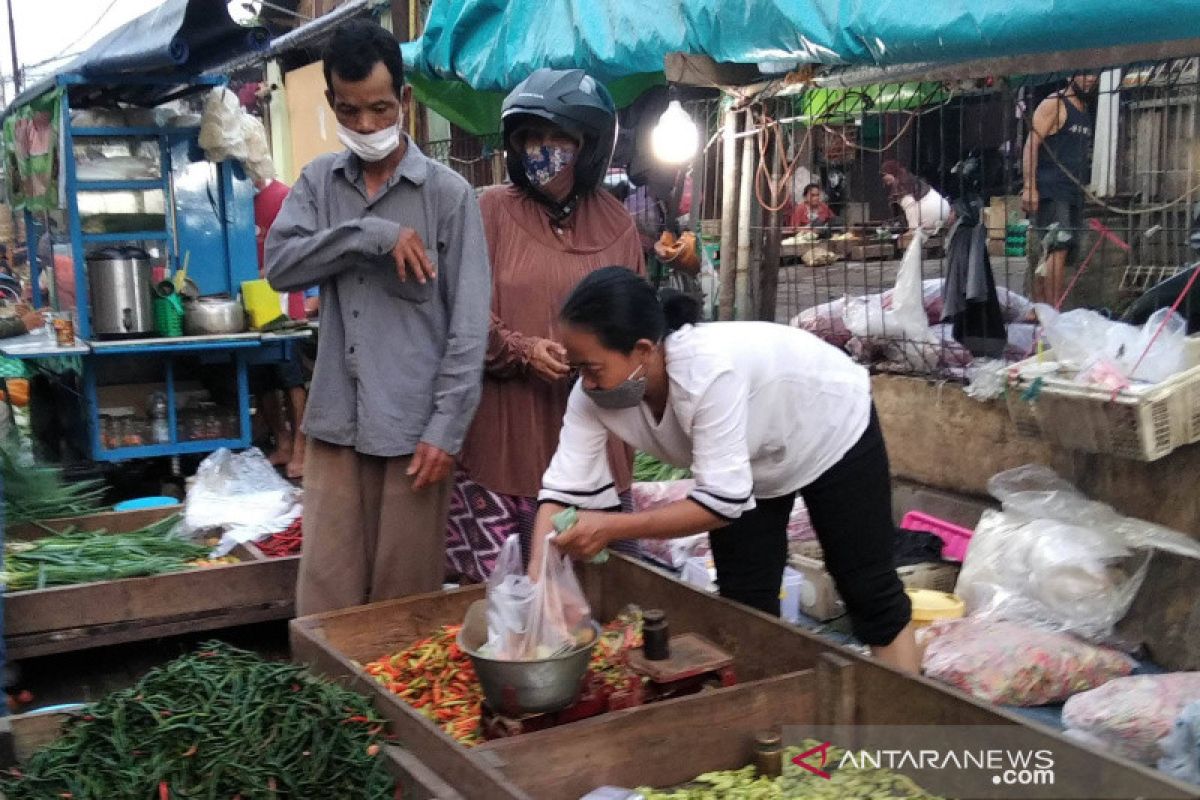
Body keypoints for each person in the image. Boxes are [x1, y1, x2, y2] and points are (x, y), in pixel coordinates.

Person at [530, 267, 920, 673]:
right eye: (579, 370)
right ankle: (762, 714)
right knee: (744, 602)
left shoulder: (706, 373)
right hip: (748, 460)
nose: (587, 384)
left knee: (868, 591)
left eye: (593, 369)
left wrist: (610, 528)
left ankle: (905, 715)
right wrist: (537, 591)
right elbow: (560, 494)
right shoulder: (591, 396)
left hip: (827, 424)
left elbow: (721, 505)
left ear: (643, 350)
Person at [265, 19, 491, 615]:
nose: (366, 125)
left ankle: (391, 713)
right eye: (350, 111)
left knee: (402, 608)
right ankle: (329, 708)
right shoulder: (319, 183)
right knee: (326, 597)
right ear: (333, 104)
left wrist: (446, 429)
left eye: (380, 109)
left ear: (405, 102)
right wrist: (367, 234)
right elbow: (281, 267)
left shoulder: (449, 195)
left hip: (415, 434)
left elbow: (469, 326)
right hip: (337, 423)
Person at [447, 69, 645, 583]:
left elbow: (638, 323)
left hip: (597, 438)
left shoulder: (618, 226)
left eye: (558, 137)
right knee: (506, 602)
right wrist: (520, 349)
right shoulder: (488, 211)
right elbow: (462, 313)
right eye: (529, 137)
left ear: (589, 146)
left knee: (601, 601)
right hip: (506, 443)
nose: (542, 149)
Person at [1022, 73, 1098, 306]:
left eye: (1094, 74)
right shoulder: (1054, 103)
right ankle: (1052, 309)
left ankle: (1040, 309)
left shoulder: (1084, 109)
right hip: (1052, 189)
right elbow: (1031, 145)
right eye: (1084, 73)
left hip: (1073, 191)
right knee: (1057, 246)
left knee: (1059, 252)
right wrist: (1029, 187)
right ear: (1069, 75)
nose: (1090, 79)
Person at [252, 172, 309, 479]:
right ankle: (283, 442)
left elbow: (297, 251)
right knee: (262, 377)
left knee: (291, 379)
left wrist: (264, 272)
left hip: (286, 305)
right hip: (252, 302)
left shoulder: (282, 197)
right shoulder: (239, 200)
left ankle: (302, 448)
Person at [881, 160, 950, 234]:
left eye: (884, 175)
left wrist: (912, 230)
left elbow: (911, 207)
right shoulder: (911, 179)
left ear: (891, 173)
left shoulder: (902, 186)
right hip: (945, 212)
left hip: (931, 216)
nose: (886, 181)